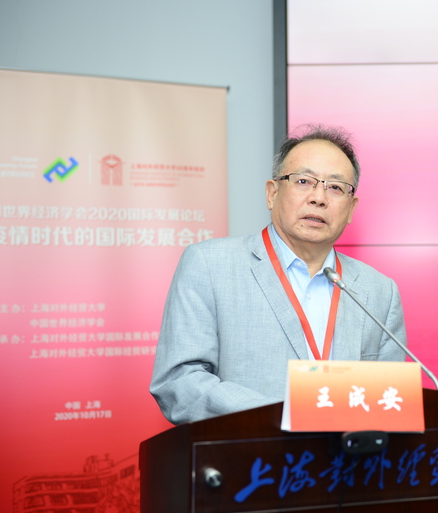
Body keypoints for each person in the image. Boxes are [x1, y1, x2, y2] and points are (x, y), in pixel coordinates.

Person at [150, 125, 407, 425]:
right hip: (252, 453)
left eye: (336, 187)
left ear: (350, 209)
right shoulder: (209, 265)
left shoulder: (379, 292)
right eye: (303, 181)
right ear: (272, 194)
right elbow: (180, 383)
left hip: (346, 455)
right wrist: (287, 415)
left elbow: (388, 400)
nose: (319, 198)